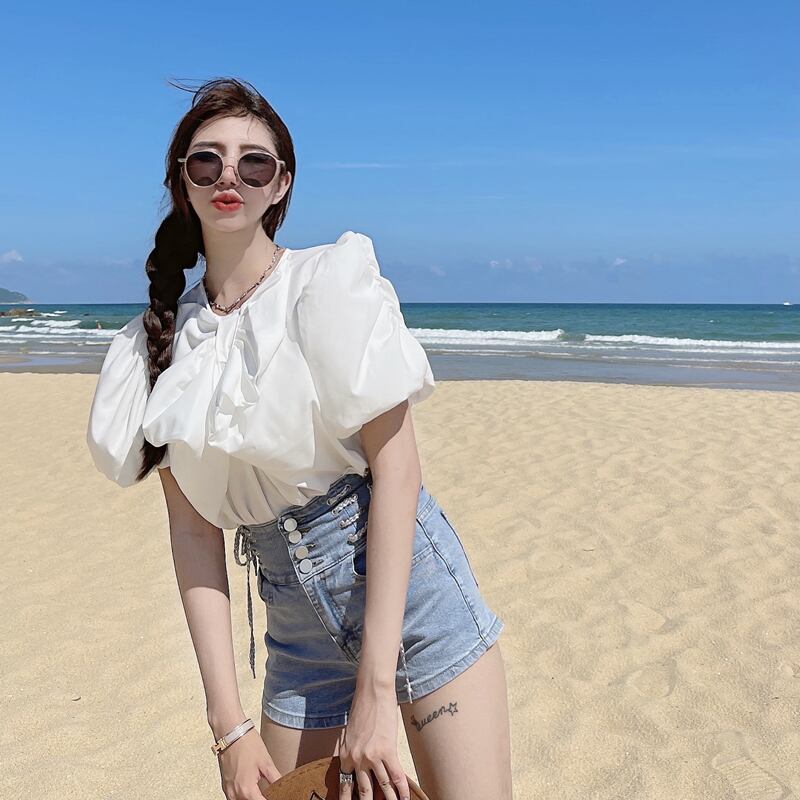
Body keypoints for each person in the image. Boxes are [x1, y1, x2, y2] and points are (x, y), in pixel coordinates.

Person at [86, 78, 512, 800]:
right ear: (181, 180)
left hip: (412, 607)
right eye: (207, 160)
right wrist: (228, 727)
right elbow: (193, 535)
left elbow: (399, 474)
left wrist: (376, 692)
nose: (229, 176)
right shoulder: (157, 345)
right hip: (294, 635)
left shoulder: (328, 285)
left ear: (280, 185)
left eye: (254, 162)